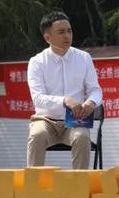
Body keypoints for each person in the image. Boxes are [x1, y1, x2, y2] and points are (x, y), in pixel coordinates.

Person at [26, 11, 102, 169]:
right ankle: (32, 187)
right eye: (61, 32)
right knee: (36, 135)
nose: (67, 35)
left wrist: (91, 102)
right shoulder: (37, 62)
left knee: (82, 137)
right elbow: (38, 98)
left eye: (69, 31)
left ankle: (79, 187)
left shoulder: (84, 58)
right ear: (47, 38)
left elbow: (95, 90)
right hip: (46, 120)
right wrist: (64, 101)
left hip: (75, 121)